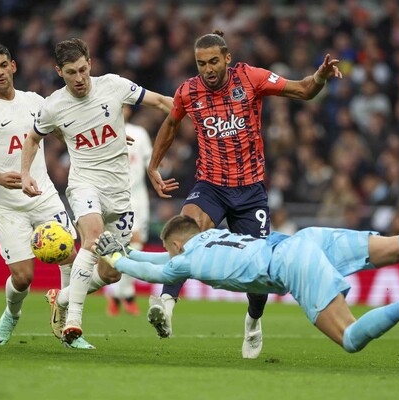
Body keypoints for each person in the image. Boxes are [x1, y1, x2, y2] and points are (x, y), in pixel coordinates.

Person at [93, 202, 399, 356]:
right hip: (304, 239)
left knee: (350, 340)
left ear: (175, 246)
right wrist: (125, 250)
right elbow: (157, 257)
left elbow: (152, 269)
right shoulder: (217, 235)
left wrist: (116, 254)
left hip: (291, 264)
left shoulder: (182, 260)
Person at [146, 30, 342, 359]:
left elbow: (304, 90)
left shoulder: (251, 78)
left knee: (257, 276)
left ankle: (253, 321)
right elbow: (170, 124)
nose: (207, 69)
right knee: (186, 229)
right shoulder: (188, 92)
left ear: (226, 59)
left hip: (250, 192)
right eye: (200, 63)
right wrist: (154, 165)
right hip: (211, 185)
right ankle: (165, 305)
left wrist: (320, 76)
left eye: (212, 62)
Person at [20, 38, 174, 345]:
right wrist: (25, 173)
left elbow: (161, 102)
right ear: (59, 72)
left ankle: (63, 298)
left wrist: (193, 111)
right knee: (92, 237)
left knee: (111, 272)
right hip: (84, 183)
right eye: (70, 73)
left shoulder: (114, 86)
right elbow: (33, 139)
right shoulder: (53, 105)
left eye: (82, 70)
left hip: (121, 191)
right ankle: (73, 320)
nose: (78, 79)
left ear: (90, 64)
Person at [0, 43, 92, 349]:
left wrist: (96, 139)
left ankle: (67, 325)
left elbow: (61, 131)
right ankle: (12, 313)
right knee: (22, 278)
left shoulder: (35, 101)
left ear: (14, 66)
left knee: (72, 260)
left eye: (3, 65)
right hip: (8, 206)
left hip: (43, 195)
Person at [103, 106, 153, 317]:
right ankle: (125, 294)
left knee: (136, 244)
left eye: (123, 106)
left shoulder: (140, 133)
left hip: (138, 198)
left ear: (129, 110)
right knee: (116, 246)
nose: (121, 110)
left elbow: (151, 162)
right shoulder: (103, 132)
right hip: (112, 197)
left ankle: (117, 295)